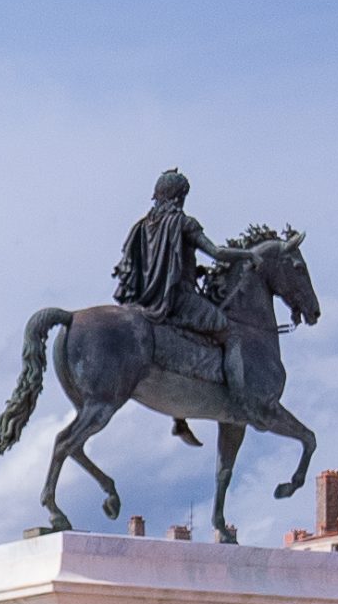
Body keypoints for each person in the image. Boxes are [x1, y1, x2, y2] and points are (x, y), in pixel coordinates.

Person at [111, 167, 260, 443]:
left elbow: (153, 264)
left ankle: (179, 417)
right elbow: (216, 252)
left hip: (147, 298)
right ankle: (240, 400)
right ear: (179, 196)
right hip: (179, 299)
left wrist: (194, 271)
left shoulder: (143, 225)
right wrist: (249, 255)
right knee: (230, 333)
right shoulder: (183, 223)